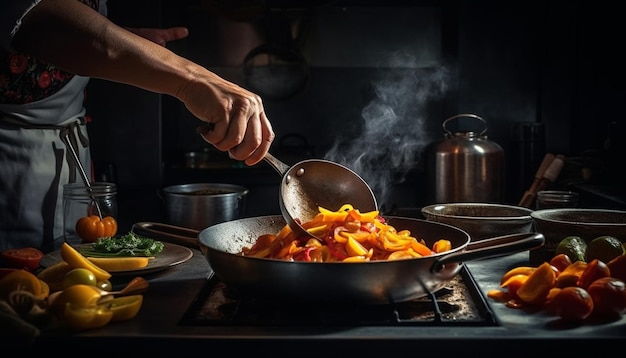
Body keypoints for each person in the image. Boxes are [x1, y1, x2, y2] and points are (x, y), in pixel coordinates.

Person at [0, 0, 275, 253]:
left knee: (69, 276)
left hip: (68, 150)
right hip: (12, 160)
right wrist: (192, 80)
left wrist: (131, 45)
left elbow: (75, 39)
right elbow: (35, 18)